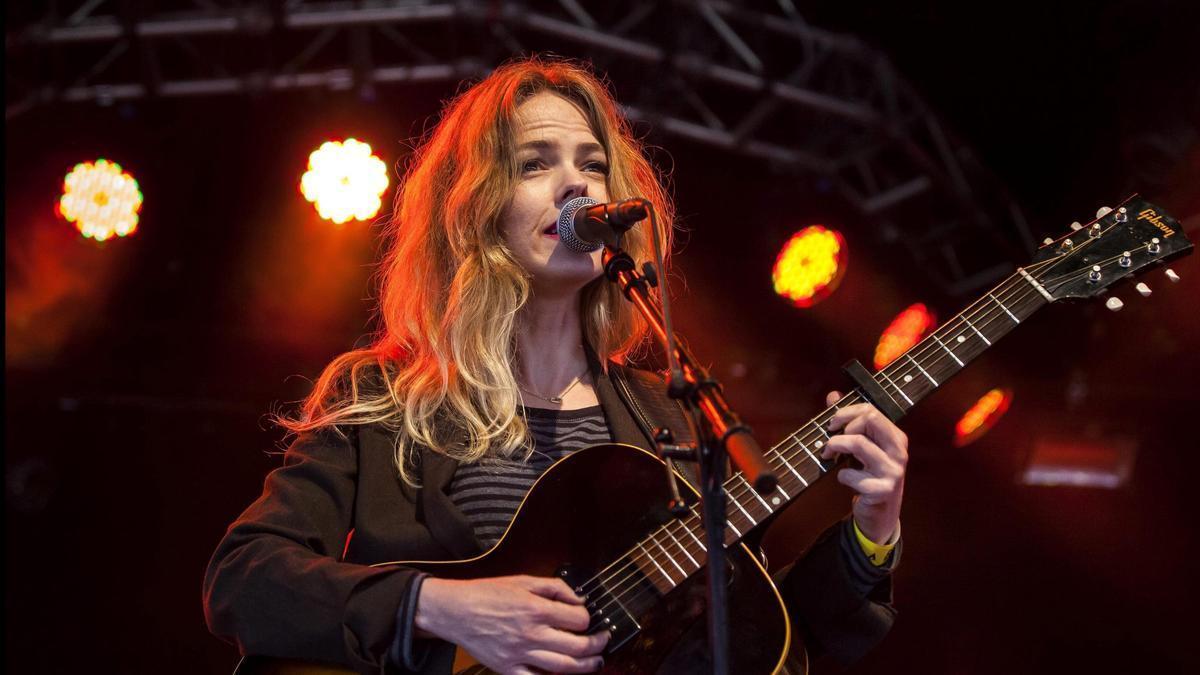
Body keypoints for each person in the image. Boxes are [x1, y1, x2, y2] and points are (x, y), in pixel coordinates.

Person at [203, 56, 909, 675]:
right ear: (476, 208)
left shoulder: (672, 416)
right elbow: (245, 577)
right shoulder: (386, 402)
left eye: (592, 163)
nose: (577, 185)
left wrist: (871, 531)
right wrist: (439, 606)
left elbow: (763, 632)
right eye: (535, 163)